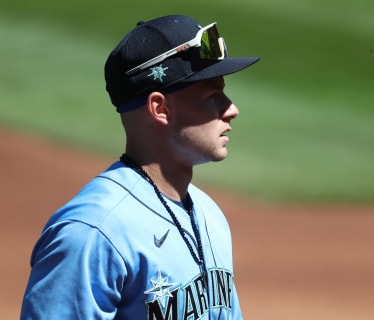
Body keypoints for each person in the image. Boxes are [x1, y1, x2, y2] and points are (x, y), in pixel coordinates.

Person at [20, 14, 259, 320]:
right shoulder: (94, 232)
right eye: (212, 95)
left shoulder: (207, 213)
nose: (232, 109)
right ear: (160, 108)